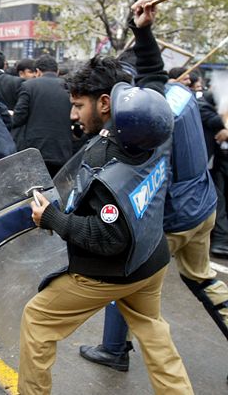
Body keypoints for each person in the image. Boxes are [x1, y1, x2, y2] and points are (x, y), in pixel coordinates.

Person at [17, 0, 193, 394]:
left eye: (78, 106)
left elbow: (106, 236)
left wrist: (52, 219)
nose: (73, 115)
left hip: (113, 271)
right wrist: (143, 31)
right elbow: (153, 76)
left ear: (104, 103)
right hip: (151, 259)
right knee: (154, 334)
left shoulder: (103, 160)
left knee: (38, 320)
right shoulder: (155, 122)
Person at [78, 80, 228, 372]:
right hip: (202, 206)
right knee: (203, 279)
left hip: (173, 219)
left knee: (126, 276)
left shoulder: (148, 124)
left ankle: (114, 348)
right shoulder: (178, 98)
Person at [12, 54, 73, 176]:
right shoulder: (69, 86)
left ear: (38, 71)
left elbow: (18, 118)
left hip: (35, 150)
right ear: (57, 71)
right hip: (63, 150)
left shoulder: (29, 86)